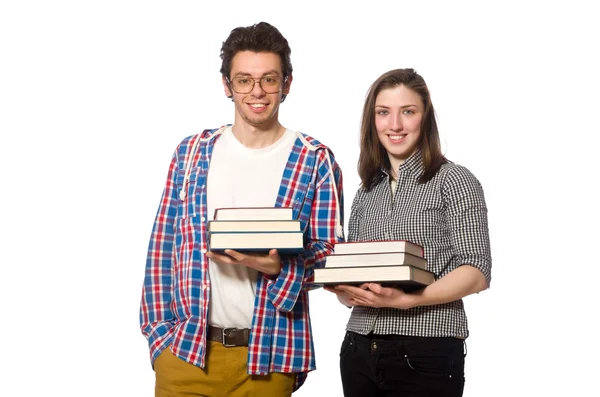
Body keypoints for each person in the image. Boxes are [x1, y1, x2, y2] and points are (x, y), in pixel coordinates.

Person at [140, 22, 344, 397]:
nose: (257, 92)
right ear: (227, 85)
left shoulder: (315, 160)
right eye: (244, 80)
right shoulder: (191, 153)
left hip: (269, 358)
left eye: (269, 79)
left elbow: (330, 254)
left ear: (287, 84)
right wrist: (159, 339)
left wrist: (282, 268)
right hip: (186, 354)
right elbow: (163, 248)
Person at [325, 68, 491, 397]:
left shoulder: (454, 180)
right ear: (372, 121)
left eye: (408, 112)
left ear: (424, 117)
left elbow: (477, 269)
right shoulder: (366, 192)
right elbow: (353, 273)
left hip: (424, 349)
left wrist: (406, 301)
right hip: (358, 347)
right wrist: (345, 292)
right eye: (383, 113)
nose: (395, 125)